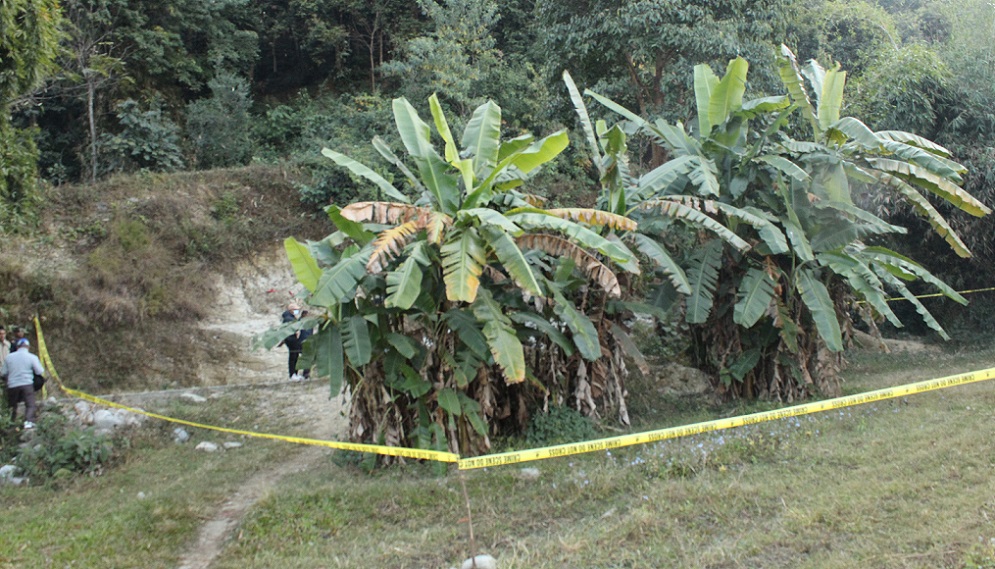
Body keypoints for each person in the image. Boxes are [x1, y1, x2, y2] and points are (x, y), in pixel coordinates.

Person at [0, 338, 45, 429]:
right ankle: (28, 421)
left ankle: (10, 423)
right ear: (28, 347)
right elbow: (40, 371)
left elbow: (3, 372)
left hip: (12, 385)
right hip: (26, 384)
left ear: (17, 347)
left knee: (13, 406)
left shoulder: (9, 357)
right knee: (30, 404)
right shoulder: (32, 357)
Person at [278, 302, 303, 381]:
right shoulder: (288, 318)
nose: (297, 311)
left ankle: (295, 373)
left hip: (293, 340)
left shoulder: (292, 317)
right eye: (296, 310)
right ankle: (292, 374)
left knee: (296, 356)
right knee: (293, 357)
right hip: (291, 340)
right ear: (291, 310)